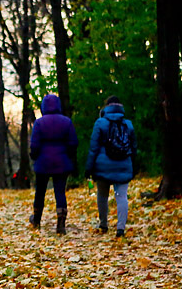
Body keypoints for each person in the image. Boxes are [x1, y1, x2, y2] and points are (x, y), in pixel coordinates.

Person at [85, 95, 137, 237]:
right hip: (123, 165)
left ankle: (103, 224)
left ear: (106, 107)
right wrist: (133, 166)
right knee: (121, 196)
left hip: (103, 167)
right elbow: (133, 148)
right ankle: (120, 228)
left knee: (102, 195)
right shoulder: (128, 124)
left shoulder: (100, 123)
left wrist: (89, 168)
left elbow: (93, 148)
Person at [29, 94, 79, 234]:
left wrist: (34, 156)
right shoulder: (66, 122)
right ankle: (61, 223)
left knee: (40, 192)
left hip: (43, 162)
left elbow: (34, 144)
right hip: (61, 162)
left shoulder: (39, 123)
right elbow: (73, 143)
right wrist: (68, 156)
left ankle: (36, 219)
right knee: (60, 192)